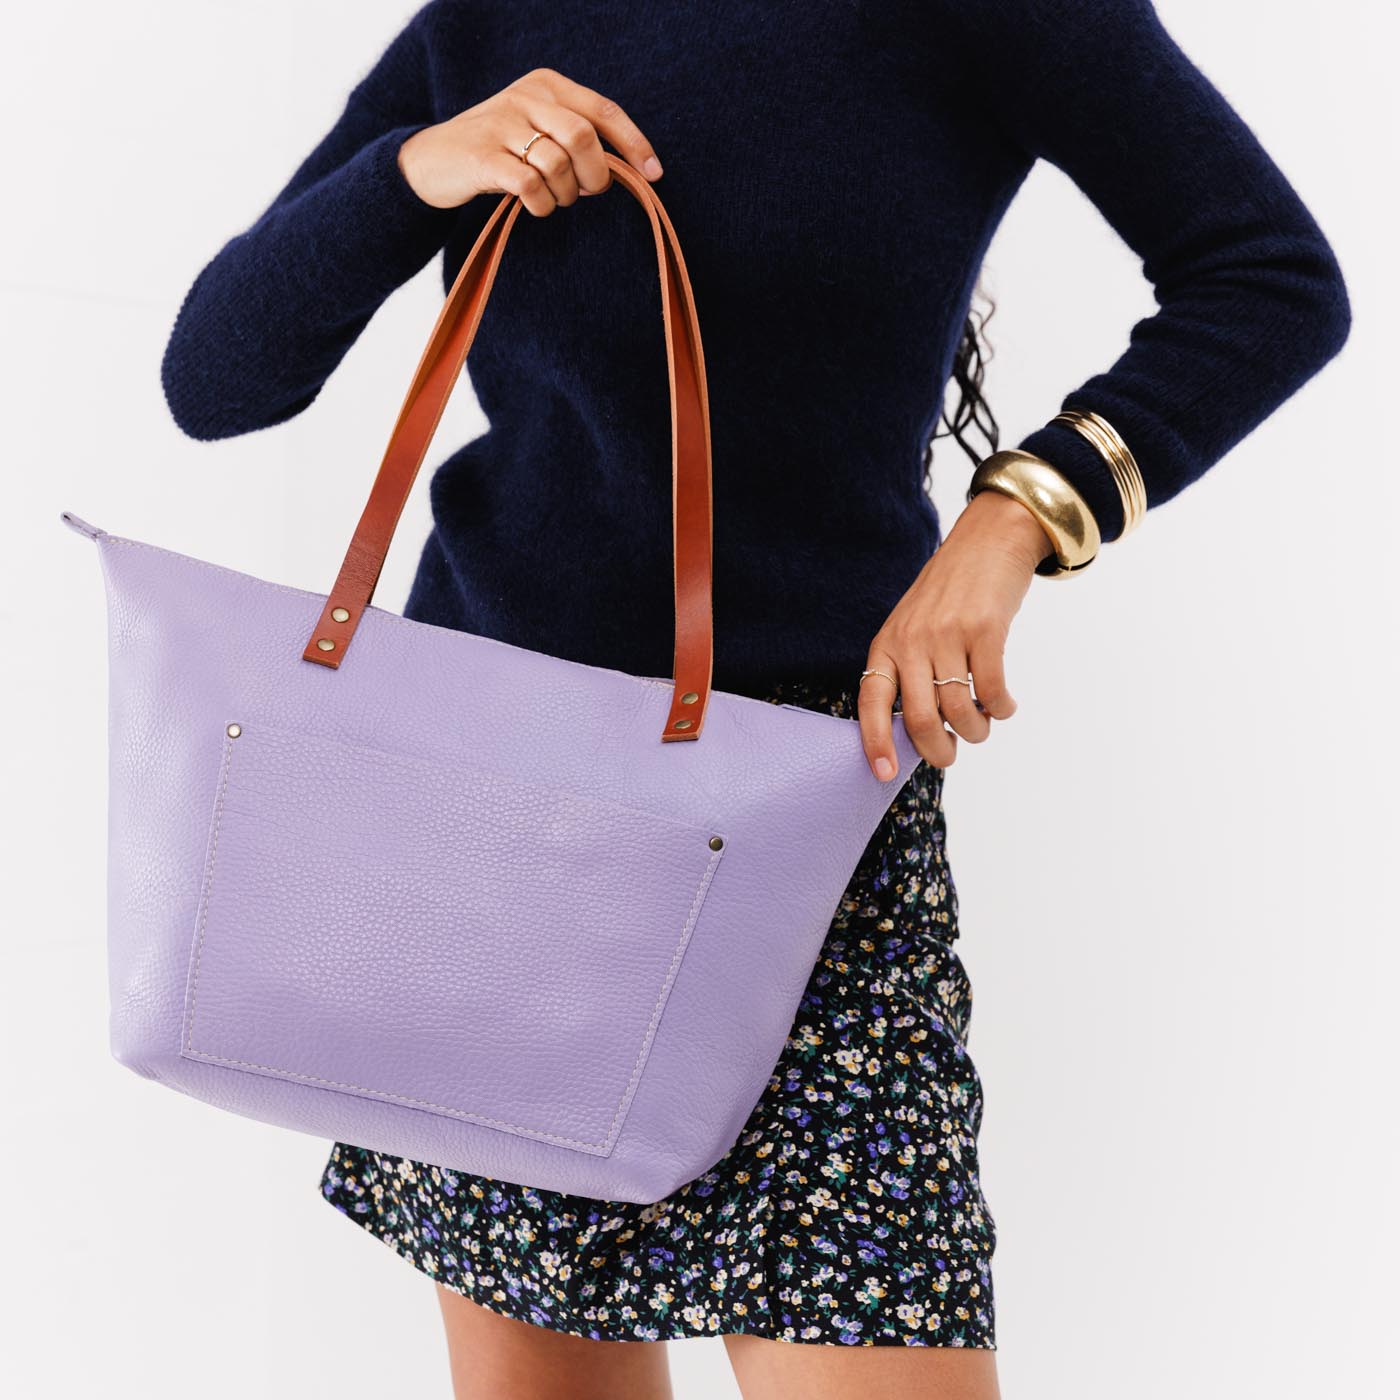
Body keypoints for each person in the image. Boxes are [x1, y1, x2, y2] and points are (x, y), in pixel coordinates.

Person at [159, 2, 1350, 1396]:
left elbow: (1270, 276)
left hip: (803, 814)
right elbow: (214, 380)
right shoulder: (493, 14)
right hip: (493, 799)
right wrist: (418, 169)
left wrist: (1018, 516)